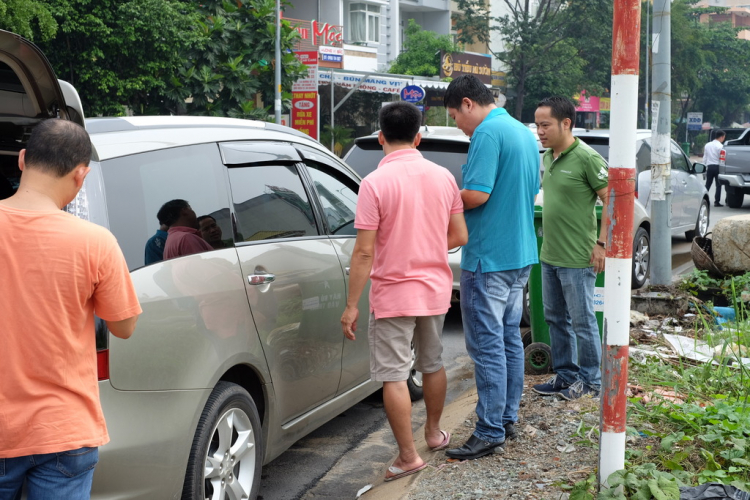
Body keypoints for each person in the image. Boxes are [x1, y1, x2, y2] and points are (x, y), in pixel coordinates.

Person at [0, 119, 141, 499]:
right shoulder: (95, 242)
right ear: (82, 175)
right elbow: (123, 326)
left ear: (23, 159)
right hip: (64, 429)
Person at [340, 102, 468, 482]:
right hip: (434, 289)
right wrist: (425, 247)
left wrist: (350, 306)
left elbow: (364, 250)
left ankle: (408, 456)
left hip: (393, 293)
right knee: (432, 362)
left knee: (394, 376)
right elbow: (459, 235)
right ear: (418, 137)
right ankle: (433, 433)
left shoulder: (374, 184)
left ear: (381, 137)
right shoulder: (444, 177)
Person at [441, 75, 540, 461]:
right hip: (519, 253)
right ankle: (507, 418)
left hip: (488, 257)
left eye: (454, 115)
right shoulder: (521, 132)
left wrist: (441, 197)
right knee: (509, 339)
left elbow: (477, 194)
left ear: (468, 104)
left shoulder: (486, 133)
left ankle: (489, 430)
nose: (457, 126)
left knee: (486, 346)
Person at [531, 96, 608, 401]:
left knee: (583, 321)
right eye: (537, 125)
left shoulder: (587, 158)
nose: (540, 131)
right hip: (549, 255)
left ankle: (591, 380)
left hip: (578, 257)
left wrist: (601, 245)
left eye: (545, 124)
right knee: (554, 318)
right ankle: (565, 376)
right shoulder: (548, 157)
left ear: (566, 123)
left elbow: (612, 200)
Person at [703, 129, 726, 207]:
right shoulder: (721, 146)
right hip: (717, 167)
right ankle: (717, 202)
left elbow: (705, 157)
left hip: (709, 166)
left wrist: (704, 166)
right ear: (722, 137)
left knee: (708, 184)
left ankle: (703, 199)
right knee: (718, 185)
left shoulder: (707, 145)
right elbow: (722, 158)